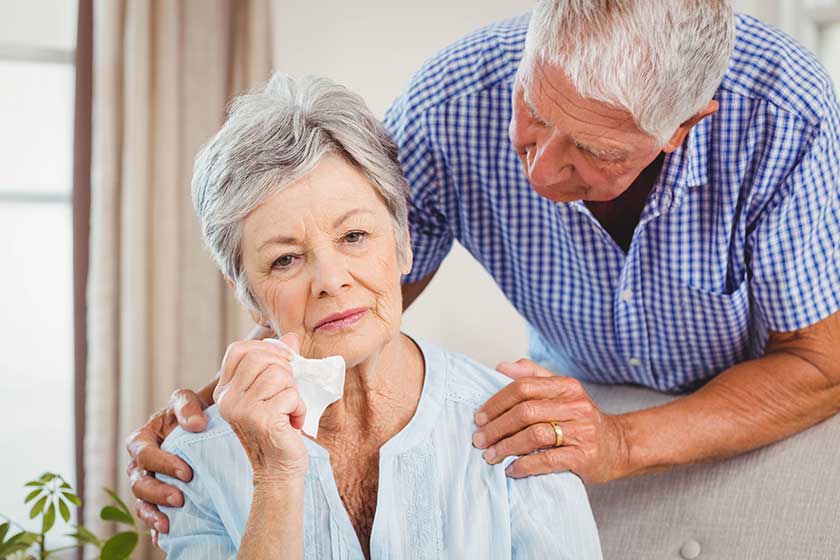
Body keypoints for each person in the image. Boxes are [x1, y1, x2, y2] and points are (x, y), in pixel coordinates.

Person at [128, 0, 840, 538]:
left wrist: (622, 439)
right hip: (566, 396)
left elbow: (820, 363)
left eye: (594, 151)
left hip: (758, 410)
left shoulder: (785, 116)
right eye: (533, 108)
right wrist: (221, 408)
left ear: (684, 126)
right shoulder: (451, 103)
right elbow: (344, 277)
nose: (539, 165)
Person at [155, 74, 602, 559]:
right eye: (285, 259)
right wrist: (275, 478)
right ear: (248, 296)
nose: (331, 279)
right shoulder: (195, 461)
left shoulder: (521, 428)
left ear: (405, 243)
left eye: (354, 237)